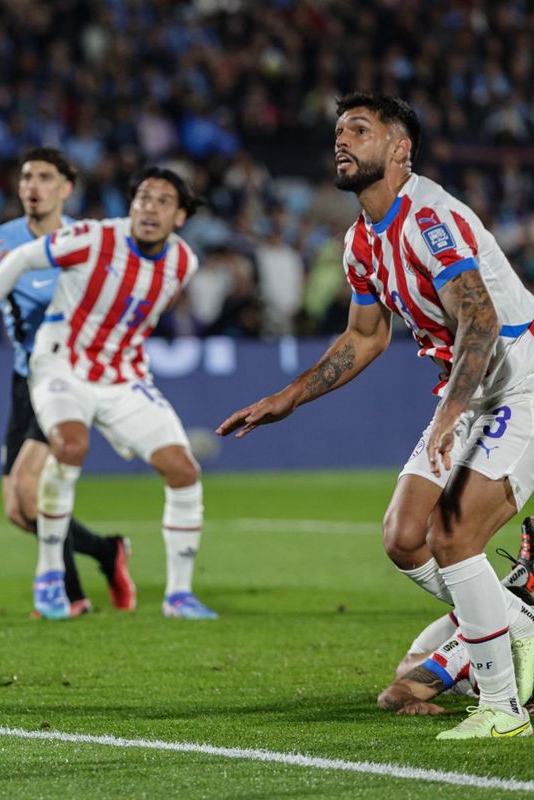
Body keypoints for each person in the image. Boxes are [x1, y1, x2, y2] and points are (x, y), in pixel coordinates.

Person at [217, 93, 534, 739]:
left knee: (452, 536)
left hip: (520, 384)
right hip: (469, 390)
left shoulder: (431, 215)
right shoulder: (360, 240)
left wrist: (448, 415)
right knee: (404, 537)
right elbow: (364, 335)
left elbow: (480, 316)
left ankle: (501, 709)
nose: (342, 140)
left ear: (399, 148)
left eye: (359, 129)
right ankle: (518, 626)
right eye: (338, 130)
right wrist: (290, 395)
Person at [0, 167, 215, 622]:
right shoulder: (94, 239)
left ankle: (179, 595)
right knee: (70, 445)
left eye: (161, 202)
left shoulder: (184, 262)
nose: (148, 208)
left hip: (124, 378)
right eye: (142, 197)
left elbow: (143, 308)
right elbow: (18, 260)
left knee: (183, 469)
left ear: (180, 217)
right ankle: (51, 574)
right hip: (62, 367)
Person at [0, 147, 133, 618]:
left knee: (31, 488)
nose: (33, 185)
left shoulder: (86, 244)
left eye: (46, 177)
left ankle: (70, 597)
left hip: (69, 380)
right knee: (17, 510)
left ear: (66, 189)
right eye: (27, 176)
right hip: (24, 379)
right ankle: (108, 551)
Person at [380, 529, 534, 716]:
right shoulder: (467, 649)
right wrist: (412, 701)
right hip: (458, 634)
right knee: (407, 667)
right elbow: (394, 693)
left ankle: (516, 582)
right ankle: (515, 584)